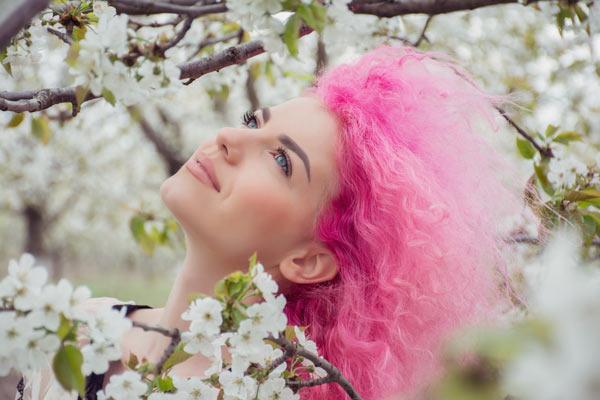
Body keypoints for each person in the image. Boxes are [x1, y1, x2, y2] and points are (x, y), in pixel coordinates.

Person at [19, 44, 531, 400]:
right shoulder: (73, 328)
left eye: (281, 161)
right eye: (252, 122)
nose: (228, 137)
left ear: (308, 260)